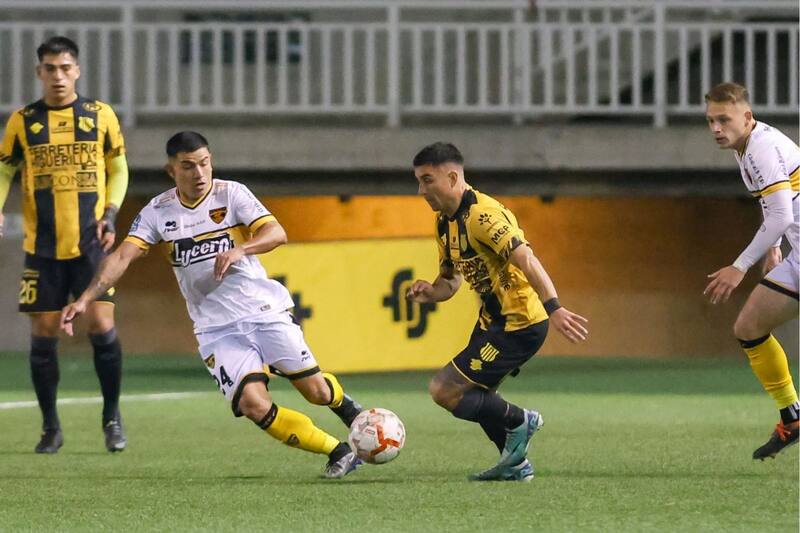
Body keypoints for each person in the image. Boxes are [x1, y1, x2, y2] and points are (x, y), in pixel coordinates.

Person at [60, 131, 364, 478]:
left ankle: (346, 407)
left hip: (262, 311)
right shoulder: (158, 212)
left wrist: (240, 249)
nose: (199, 173)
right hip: (215, 329)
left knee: (315, 391)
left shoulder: (231, 194)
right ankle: (337, 451)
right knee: (253, 404)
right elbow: (123, 256)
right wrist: (85, 298)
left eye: (204, 163)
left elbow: (276, 233)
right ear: (171, 170)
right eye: (188, 166)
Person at [406, 142, 588, 481]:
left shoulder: (484, 216)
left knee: (444, 390)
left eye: (427, 180)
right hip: (493, 322)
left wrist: (555, 308)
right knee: (477, 393)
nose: (421, 190)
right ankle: (515, 464)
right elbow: (450, 282)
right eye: (418, 181)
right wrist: (429, 292)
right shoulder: (444, 223)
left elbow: (528, 260)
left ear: (452, 176)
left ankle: (522, 420)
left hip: (520, 324)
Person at [0, 36, 129, 453]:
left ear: (77, 71)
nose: (58, 75)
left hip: (91, 244)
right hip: (43, 248)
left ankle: (112, 417)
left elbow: (118, 167)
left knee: (102, 326)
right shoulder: (22, 121)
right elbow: (4, 171)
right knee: (44, 331)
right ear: (39, 72)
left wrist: (110, 214)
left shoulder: (99, 115)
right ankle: (50, 427)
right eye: (50, 68)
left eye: (65, 67)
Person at [703, 82, 799, 460]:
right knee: (748, 328)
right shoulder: (747, 145)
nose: (715, 128)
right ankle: (792, 417)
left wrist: (739, 267)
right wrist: (774, 246)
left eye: (723, 119)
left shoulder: (760, 147)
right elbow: (777, 204)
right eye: (710, 120)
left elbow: (781, 214)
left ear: (747, 116)